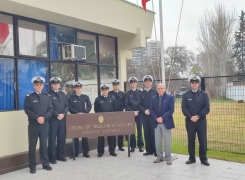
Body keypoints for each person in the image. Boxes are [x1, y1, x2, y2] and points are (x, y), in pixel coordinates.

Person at [24, 77, 53, 174]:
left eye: (40, 84)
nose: (39, 86)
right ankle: (32, 166)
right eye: (37, 85)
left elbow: (50, 109)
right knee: (32, 146)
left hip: (44, 125)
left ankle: (45, 163)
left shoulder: (47, 96)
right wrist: (37, 118)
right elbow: (27, 110)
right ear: (34, 86)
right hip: (33, 125)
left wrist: (44, 118)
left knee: (44, 145)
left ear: (43, 86)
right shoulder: (29, 97)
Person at [182, 75, 210, 166]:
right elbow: (184, 108)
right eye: (192, 83)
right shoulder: (186, 95)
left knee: (202, 140)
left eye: (196, 83)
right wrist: (190, 117)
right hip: (190, 121)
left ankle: (203, 159)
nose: (194, 84)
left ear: (199, 84)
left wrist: (198, 116)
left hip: (201, 121)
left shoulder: (204, 95)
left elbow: (207, 108)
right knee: (191, 140)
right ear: (190, 84)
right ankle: (192, 158)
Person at [149, 83, 175, 165]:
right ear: (157, 90)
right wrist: (157, 118)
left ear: (165, 89)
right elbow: (151, 109)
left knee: (167, 141)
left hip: (166, 122)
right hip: (156, 123)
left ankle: (168, 158)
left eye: (161, 88)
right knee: (157, 141)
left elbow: (171, 110)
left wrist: (162, 118)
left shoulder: (170, 98)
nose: (160, 90)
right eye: (158, 89)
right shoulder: (153, 98)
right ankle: (159, 156)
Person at [47, 77, 69, 164]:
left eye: (57, 84)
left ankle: (60, 155)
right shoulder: (48, 95)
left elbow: (67, 105)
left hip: (62, 119)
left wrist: (63, 114)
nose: (56, 85)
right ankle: (52, 158)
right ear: (52, 85)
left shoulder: (63, 94)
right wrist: (56, 114)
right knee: (52, 139)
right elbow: (49, 107)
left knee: (61, 138)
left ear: (59, 85)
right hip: (53, 120)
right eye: (54, 84)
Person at [68, 81, 92, 158]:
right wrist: (77, 113)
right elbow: (70, 108)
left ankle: (85, 153)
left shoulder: (85, 97)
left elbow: (89, 106)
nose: (78, 89)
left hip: (84, 119)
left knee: (85, 135)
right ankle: (75, 153)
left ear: (81, 88)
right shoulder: (71, 98)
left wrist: (84, 112)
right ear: (75, 89)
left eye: (80, 88)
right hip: (75, 119)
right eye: (77, 88)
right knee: (75, 136)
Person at [94, 84, 117, 157]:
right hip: (101, 120)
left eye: (106, 90)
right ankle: (100, 152)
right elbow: (96, 110)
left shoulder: (112, 98)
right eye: (103, 90)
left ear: (108, 90)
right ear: (101, 91)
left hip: (110, 120)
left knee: (111, 136)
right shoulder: (98, 99)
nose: (104, 91)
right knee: (101, 136)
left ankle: (112, 151)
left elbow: (114, 109)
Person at [139, 75, 158, 156]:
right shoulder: (141, 93)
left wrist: (150, 110)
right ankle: (148, 150)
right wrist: (144, 110)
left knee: (154, 134)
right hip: (144, 116)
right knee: (146, 133)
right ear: (144, 83)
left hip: (153, 116)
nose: (148, 83)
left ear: (151, 83)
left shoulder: (155, 92)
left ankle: (155, 151)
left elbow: (157, 104)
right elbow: (139, 104)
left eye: (149, 81)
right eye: (146, 82)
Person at [124, 77, 144, 153]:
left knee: (140, 130)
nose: (133, 84)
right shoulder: (128, 94)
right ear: (130, 84)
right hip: (131, 114)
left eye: (134, 82)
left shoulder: (140, 93)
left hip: (139, 114)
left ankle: (140, 146)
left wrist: (138, 111)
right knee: (132, 131)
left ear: (136, 83)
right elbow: (126, 104)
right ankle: (132, 146)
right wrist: (132, 112)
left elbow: (141, 104)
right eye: (131, 83)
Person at [108, 79, 125, 151]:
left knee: (120, 129)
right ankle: (113, 145)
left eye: (117, 85)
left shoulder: (122, 93)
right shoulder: (110, 93)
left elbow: (124, 103)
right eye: (114, 85)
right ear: (113, 86)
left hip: (120, 113)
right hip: (112, 114)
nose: (115, 86)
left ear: (118, 85)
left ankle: (120, 145)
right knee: (113, 130)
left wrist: (122, 109)